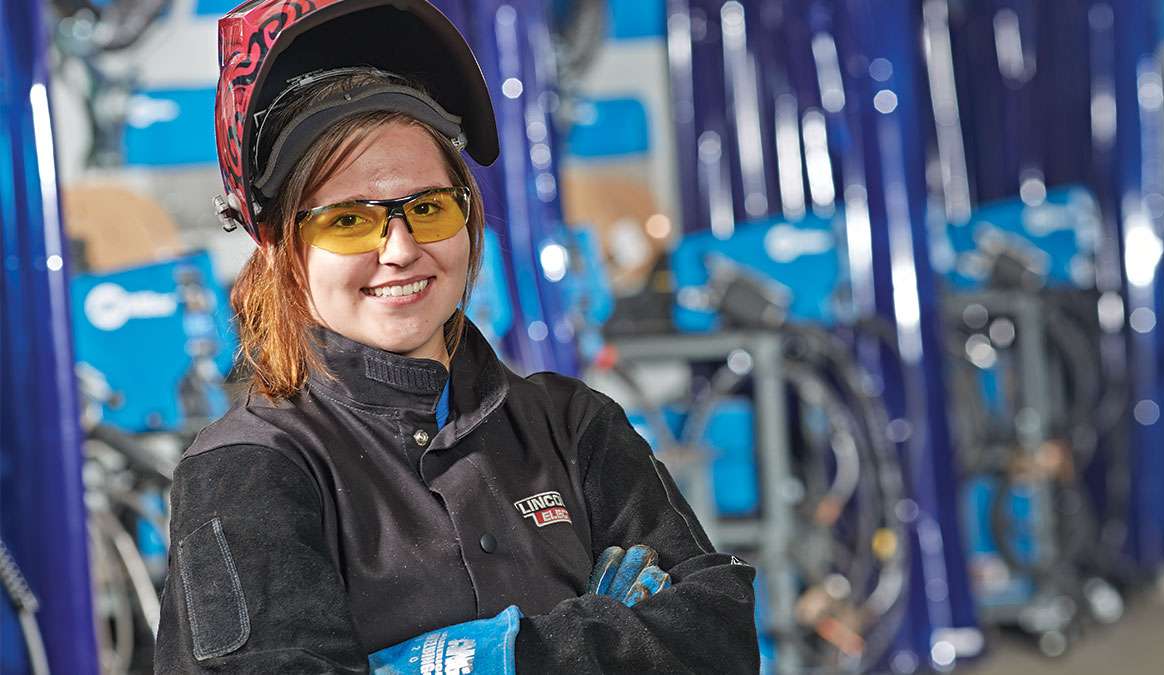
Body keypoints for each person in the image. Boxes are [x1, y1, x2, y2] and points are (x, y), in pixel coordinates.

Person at [153, 1, 759, 672]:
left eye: (427, 207)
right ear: (278, 245)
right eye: (350, 220)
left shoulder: (573, 425)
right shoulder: (247, 470)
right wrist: (610, 641)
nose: (401, 248)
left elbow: (720, 635)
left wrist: (491, 657)